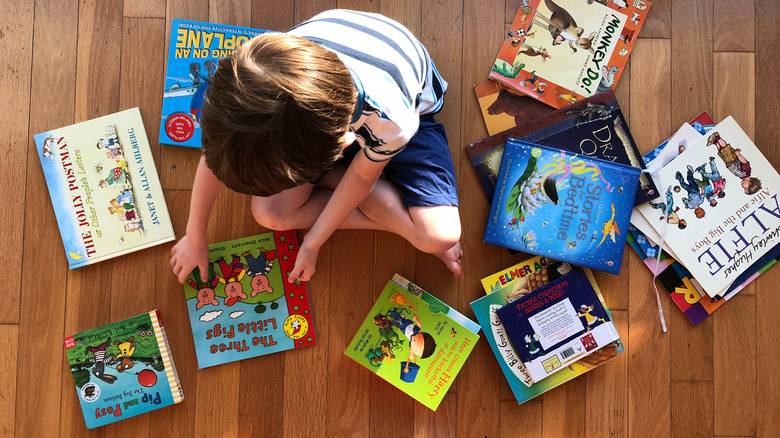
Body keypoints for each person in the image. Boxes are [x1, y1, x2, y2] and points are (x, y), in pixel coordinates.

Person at [170, 10, 462, 284]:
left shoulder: (393, 121)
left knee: (439, 236)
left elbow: (361, 175)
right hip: (319, 100)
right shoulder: (246, 81)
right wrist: (195, 236)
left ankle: (354, 188)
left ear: (344, 145)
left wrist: (313, 241)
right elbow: (217, 150)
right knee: (270, 214)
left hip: (402, 111)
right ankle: (361, 192)